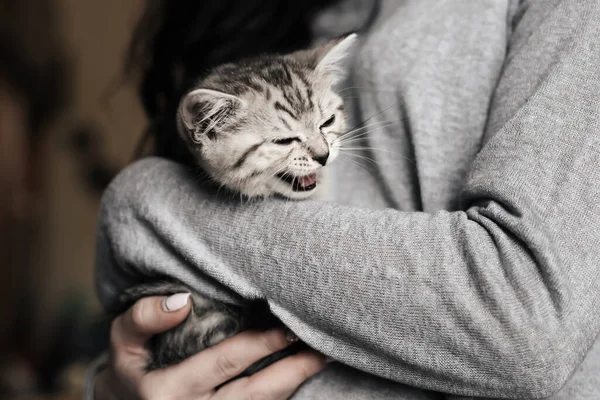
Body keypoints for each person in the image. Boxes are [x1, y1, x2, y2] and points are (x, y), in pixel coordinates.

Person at [92, 0, 600, 399]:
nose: (319, 150)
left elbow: (523, 321)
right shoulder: (258, 19)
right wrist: (112, 385)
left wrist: (148, 206)